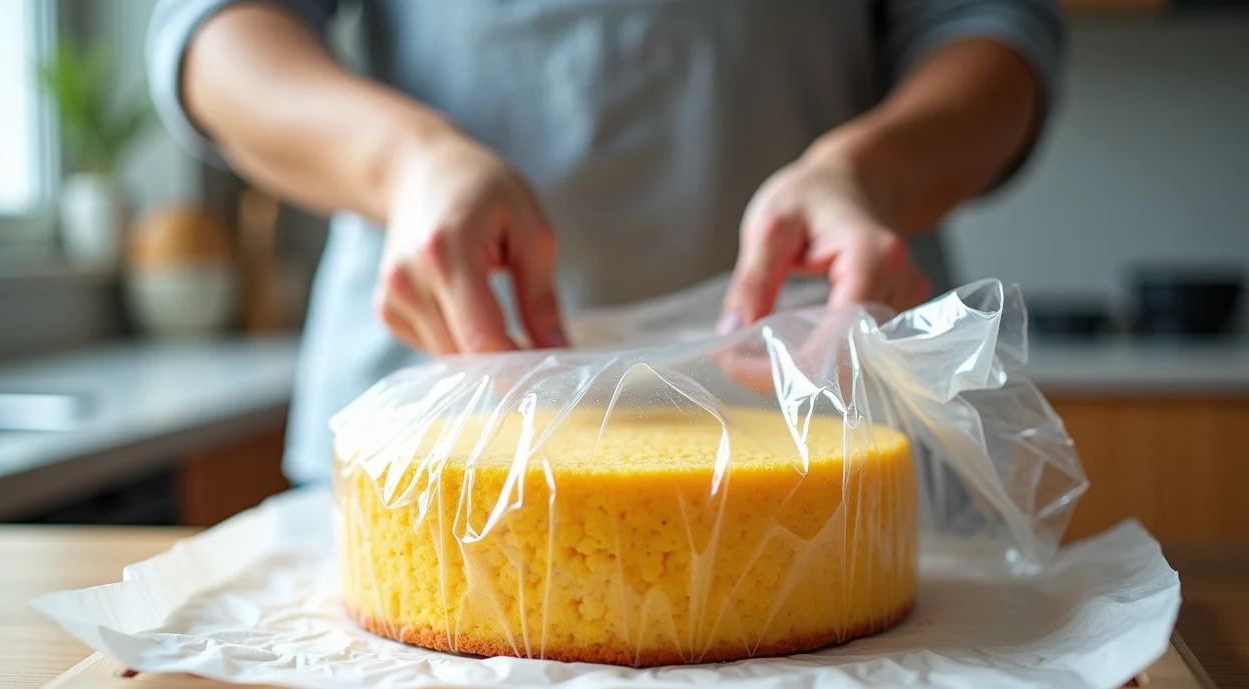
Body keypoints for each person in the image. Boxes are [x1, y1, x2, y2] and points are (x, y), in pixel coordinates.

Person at [148, 0, 1064, 485]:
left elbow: (992, 30)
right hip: (433, 432)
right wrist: (404, 163)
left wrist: (871, 172)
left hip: (834, 421)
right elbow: (217, 33)